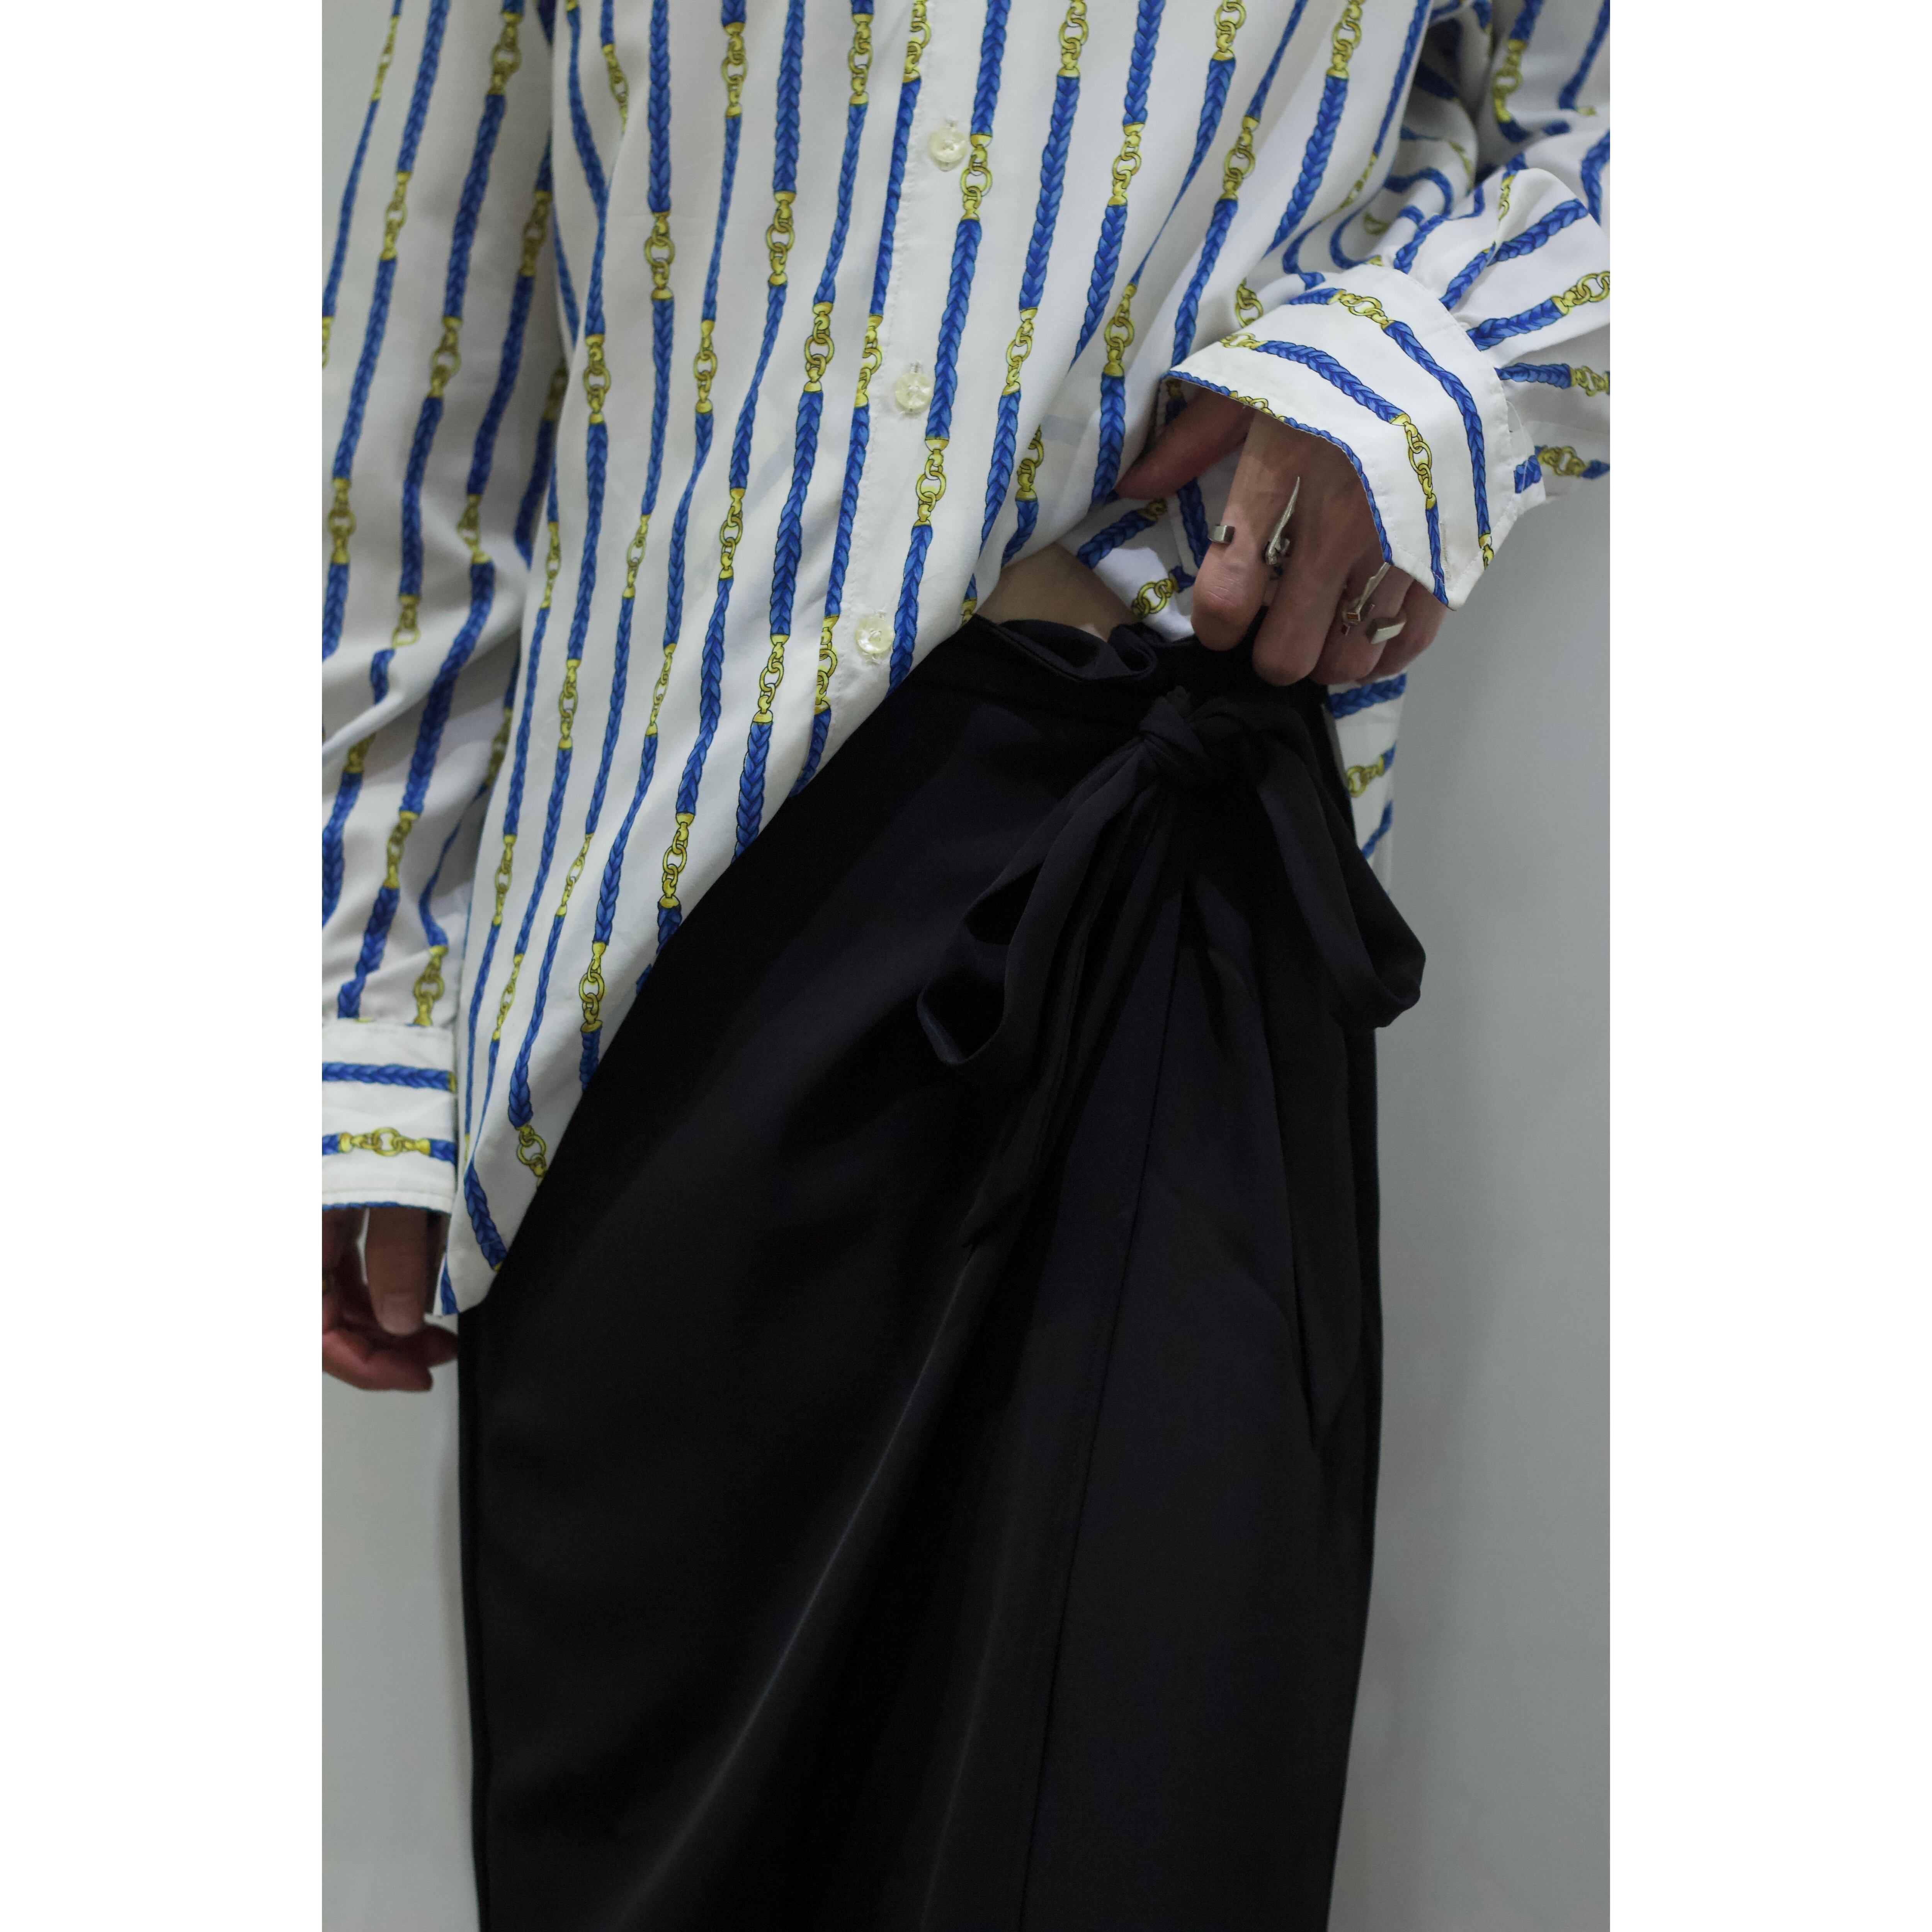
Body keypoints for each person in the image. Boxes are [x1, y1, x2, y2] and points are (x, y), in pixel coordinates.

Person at [321, 2, 1608, 1923]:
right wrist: (373, 1011)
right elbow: (433, 350)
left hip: (1156, 888)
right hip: (648, 966)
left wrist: (1400, 369)